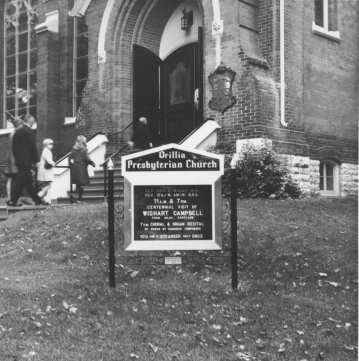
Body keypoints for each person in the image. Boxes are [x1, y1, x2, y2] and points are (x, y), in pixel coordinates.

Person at [8, 114, 42, 206]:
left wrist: (17, 159)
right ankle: (14, 200)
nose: (34, 122)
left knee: (27, 182)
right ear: (29, 120)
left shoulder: (18, 132)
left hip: (20, 161)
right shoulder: (29, 131)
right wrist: (36, 160)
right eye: (33, 120)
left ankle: (36, 200)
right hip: (27, 162)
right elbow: (33, 147)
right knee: (22, 182)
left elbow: (14, 148)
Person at [69, 135, 95, 202]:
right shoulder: (84, 149)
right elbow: (86, 158)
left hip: (75, 168)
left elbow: (70, 158)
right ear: (83, 141)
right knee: (81, 183)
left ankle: (75, 197)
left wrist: (71, 164)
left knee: (78, 183)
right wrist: (91, 163)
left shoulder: (73, 149)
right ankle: (79, 199)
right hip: (82, 168)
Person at [3, 118, 22, 202]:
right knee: (13, 179)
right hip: (14, 160)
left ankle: (10, 197)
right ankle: (12, 198)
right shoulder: (16, 134)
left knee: (11, 179)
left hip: (10, 159)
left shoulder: (12, 134)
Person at [37, 138, 55, 204]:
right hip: (46, 170)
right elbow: (49, 160)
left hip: (45, 170)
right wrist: (53, 163)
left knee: (46, 185)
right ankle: (41, 194)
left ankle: (46, 199)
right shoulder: (46, 151)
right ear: (46, 145)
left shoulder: (46, 151)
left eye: (52, 144)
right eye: (50, 144)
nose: (51, 145)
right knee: (49, 184)